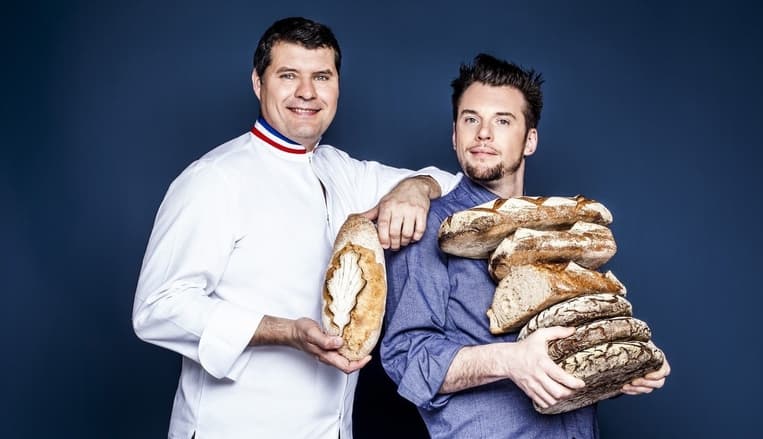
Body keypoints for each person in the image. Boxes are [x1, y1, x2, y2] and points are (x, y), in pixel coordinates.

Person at [132, 17, 456, 439]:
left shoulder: (341, 170)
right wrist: (285, 331)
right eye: (289, 76)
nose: (307, 92)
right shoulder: (214, 178)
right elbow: (157, 307)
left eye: (321, 76)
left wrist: (417, 186)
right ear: (258, 83)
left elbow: (454, 186)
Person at [380, 53, 671, 438]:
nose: (483, 133)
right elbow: (406, 357)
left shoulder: (563, 231)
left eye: (502, 121)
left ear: (530, 139)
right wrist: (510, 361)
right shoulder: (430, 228)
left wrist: (623, 367)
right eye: (471, 119)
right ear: (454, 136)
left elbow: (569, 347)